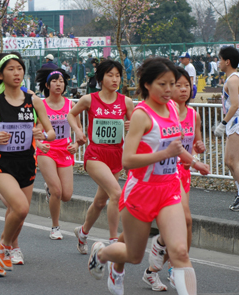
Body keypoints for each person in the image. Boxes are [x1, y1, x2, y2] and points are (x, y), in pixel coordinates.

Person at [87, 58, 209, 295]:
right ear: (146, 84)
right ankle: (101, 253)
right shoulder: (142, 115)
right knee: (133, 254)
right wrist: (165, 153)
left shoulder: (173, 107)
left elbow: (176, 146)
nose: (168, 90)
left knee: (180, 251)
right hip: (142, 190)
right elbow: (127, 160)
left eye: (172, 84)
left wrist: (193, 162)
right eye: (162, 84)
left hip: (169, 188)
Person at [0, 52, 55, 277]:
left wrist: (42, 134)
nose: (17, 73)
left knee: (18, 213)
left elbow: (52, 132)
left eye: (19, 68)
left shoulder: (34, 101)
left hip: (27, 163)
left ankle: (2, 249)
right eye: (11, 69)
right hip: (2, 164)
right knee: (21, 207)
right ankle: (4, 247)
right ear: (0, 74)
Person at [141, 66, 206, 291]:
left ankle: (158, 258)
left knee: (177, 225)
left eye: (186, 85)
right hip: (165, 174)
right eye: (176, 85)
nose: (181, 89)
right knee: (185, 220)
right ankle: (172, 262)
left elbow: (195, 143)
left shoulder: (192, 114)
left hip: (183, 172)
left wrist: (198, 151)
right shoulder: (160, 111)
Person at [68, 60, 134, 255]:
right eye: (110, 75)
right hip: (95, 155)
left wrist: (132, 125)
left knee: (99, 202)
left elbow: (136, 125)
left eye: (117, 75)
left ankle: (82, 232)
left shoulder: (126, 102)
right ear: (101, 78)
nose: (115, 79)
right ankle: (113, 239)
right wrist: (78, 131)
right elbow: (71, 115)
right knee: (116, 194)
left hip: (116, 155)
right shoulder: (89, 99)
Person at [35, 68, 78, 239]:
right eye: (54, 81)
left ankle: (49, 190)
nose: (59, 84)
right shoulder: (40, 105)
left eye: (61, 81)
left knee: (66, 195)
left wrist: (75, 144)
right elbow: (35, 130)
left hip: (65, 149)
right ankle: (55, 227)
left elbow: (79, 130)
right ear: (47, 85)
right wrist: (38, 143)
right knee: (57, 191)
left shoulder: (71, 105)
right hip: (46, 150)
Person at [214, 46, 239, 211]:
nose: (218, 62)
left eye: (220, 59)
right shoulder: (232, 78)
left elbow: (236, 103)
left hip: (236, 122)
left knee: (231, 161)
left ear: (227, 61)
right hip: (233, 123)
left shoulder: (233, 79)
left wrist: (223, 123)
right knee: (230, 162)